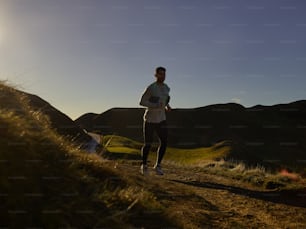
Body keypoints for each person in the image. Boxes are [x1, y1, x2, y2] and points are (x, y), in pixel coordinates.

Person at [139, 66, 171, 175]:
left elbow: (164, 99)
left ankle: (158, 165)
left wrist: (167, 106)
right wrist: (155, 105)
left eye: (164, 74)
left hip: (161, 119)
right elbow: (142, 102)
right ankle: (144, 165)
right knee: (148, 143)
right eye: (160, 74)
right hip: (150, 119)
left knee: (164, 142)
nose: (163, 76)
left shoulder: (166, 88)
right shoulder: (151, 88)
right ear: (156, 75)